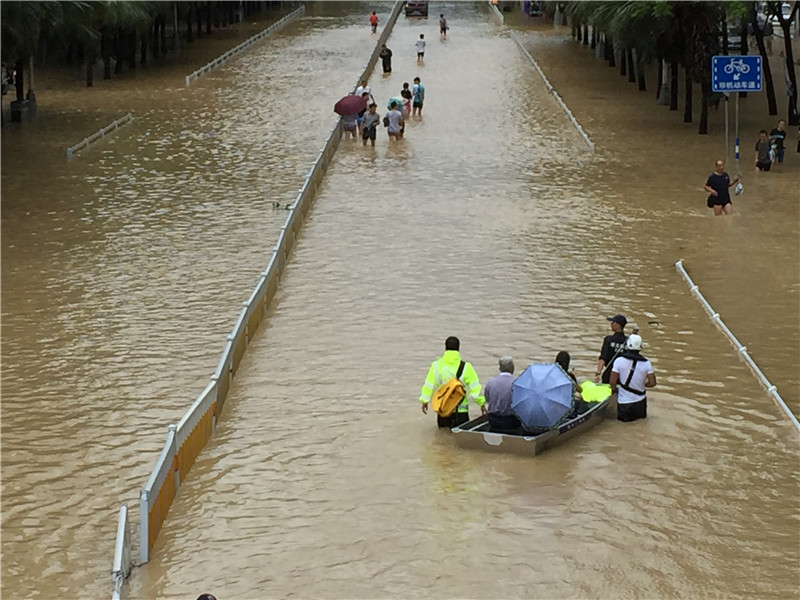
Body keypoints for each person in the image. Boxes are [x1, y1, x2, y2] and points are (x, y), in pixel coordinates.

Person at [419, 336, 486, 428]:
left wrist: (424, 401)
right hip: (461, 411)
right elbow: (475, 389)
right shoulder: (466, 367)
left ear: (445, 348)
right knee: (461, 436)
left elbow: (429, 385)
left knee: (442, 435)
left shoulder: (436, 365)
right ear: (459, 348)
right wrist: (482, 404)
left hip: (444, 409)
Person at [609, 334, 656, 423]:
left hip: (624, 403)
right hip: (640, 402)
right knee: (641, 425)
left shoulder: (619, 361)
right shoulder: (647, 363)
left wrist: (614, 390)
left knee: (623, 428)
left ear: (628, 345)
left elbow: (612, 381)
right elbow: (653, 383)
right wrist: (642, 384)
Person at [484, 356, 521, 433]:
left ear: (500, 368)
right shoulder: (518, 383)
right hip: (511, 421)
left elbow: (487, 399)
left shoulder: (490, 382)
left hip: (493, 420)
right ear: (512, 368)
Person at [595, 314, 628, 384]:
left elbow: (603, 357)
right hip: (624, 376)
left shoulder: (609, 340)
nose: (611, 324)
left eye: (613, 322)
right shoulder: (628, 341)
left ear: (618, 325)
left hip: (609, 374)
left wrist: (598, 371)